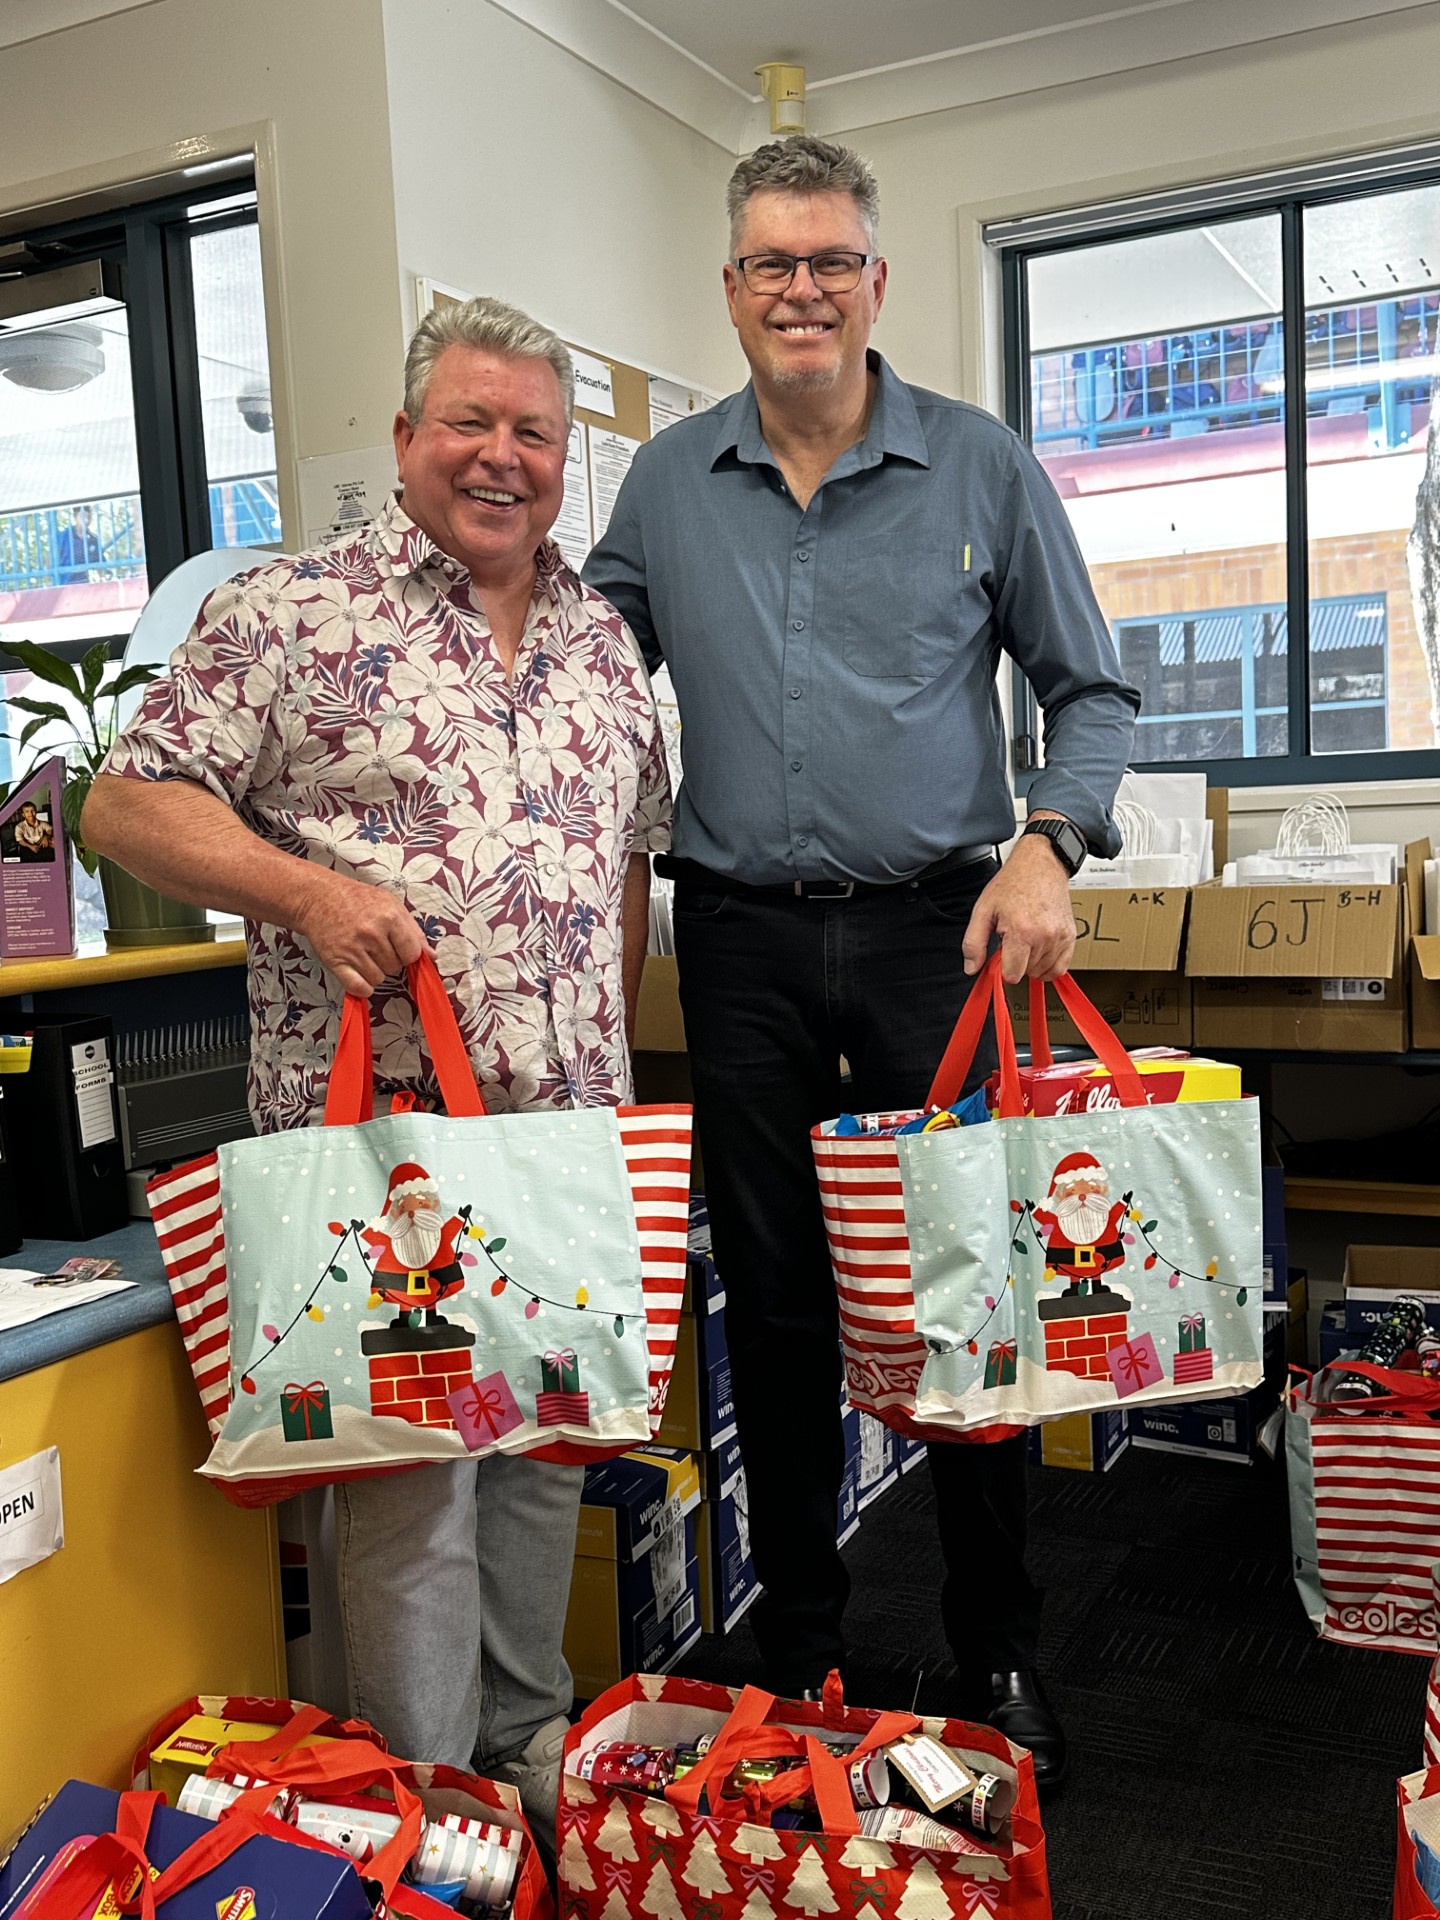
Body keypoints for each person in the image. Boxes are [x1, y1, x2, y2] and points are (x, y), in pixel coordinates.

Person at [82, 294, 672, 1851]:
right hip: (380, 1152)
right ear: (407, 440)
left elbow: (623, 864)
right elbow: (125, 806)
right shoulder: (293, 613)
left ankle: (527, 1743)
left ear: (566, 461)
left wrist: (598, 1039)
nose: (501, 456)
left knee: (545, 1448)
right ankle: (422, 1810)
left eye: (533, 433)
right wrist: (309, 895)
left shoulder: (607, 638)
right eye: (469, 423)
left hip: (566, 1138)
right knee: (415, 1480)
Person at [584, 134, 1139, 1789]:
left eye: (831, 259)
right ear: (733, 287)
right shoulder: (668, 488)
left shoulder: (981, 467)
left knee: (966, 1298)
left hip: (936, 935)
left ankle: (997, 1641)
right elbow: (583, 687)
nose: (802, 288)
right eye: (771, 262)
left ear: (876, 282)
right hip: (739, 939)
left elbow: (1090, 693)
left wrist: (1051, 840)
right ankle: (802, 1642)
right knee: (773, 1302)